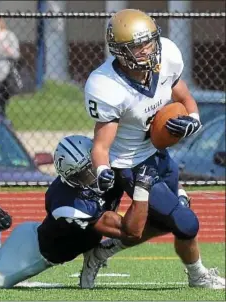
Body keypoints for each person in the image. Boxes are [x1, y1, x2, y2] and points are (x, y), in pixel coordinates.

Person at [82, 9, 225, 289]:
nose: (147, 50)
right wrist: (103, 171)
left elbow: (185, 97)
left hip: (160, 154)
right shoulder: (107, 86)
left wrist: (192, 122)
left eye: (149, 41)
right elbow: (101, 146)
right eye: (137, 45)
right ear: (120, 51)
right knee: (186, 223)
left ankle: (102, 251)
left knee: (168, 219)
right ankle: (197, 276)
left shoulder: (166, 56)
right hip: (132, 165)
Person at [0, 135, 160, 289]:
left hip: (32, 237)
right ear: (71, 177)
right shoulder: (69, 204)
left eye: (93, 166)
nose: (94, 175)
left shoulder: (105, 165)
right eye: (85, 173)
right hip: (30, 256)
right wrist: (142, 188)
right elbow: (130, 230)